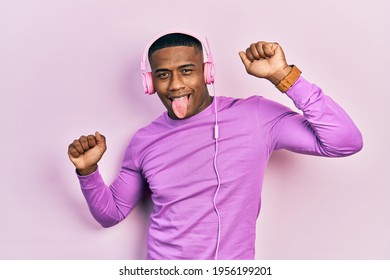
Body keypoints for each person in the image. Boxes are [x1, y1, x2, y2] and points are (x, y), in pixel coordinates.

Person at [67, 30, 363, 260]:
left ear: (207, 72)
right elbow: (111, 214)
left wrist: (282, 76)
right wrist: (88, 171)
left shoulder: (254, 116)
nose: (174, 85)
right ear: (150, 83)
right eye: (162, 75)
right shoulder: (144, 141)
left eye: (186, 70)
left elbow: (344, 142)